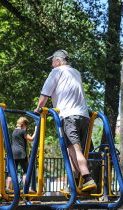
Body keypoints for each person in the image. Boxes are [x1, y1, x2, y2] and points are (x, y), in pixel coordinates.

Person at [34, 49, 97, 192]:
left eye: (52, 61)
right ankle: (74, 184)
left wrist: (38, 109)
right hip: (84, 116)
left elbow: (45, 94)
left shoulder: (56, 72)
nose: (51, 64)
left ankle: (87, 178)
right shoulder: (76, 73)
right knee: (72, 150)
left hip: (69, 115)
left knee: (74, 148)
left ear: (58, 61)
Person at [6, 117, 37, 192]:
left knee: (12, 171)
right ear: (24, 125)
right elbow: (31, 139)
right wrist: (36, 130)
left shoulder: (14, 131)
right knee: (26, 171)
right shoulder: (23, 131)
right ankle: (26, 188)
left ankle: (7, 188)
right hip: (21, 153)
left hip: (13, 153)